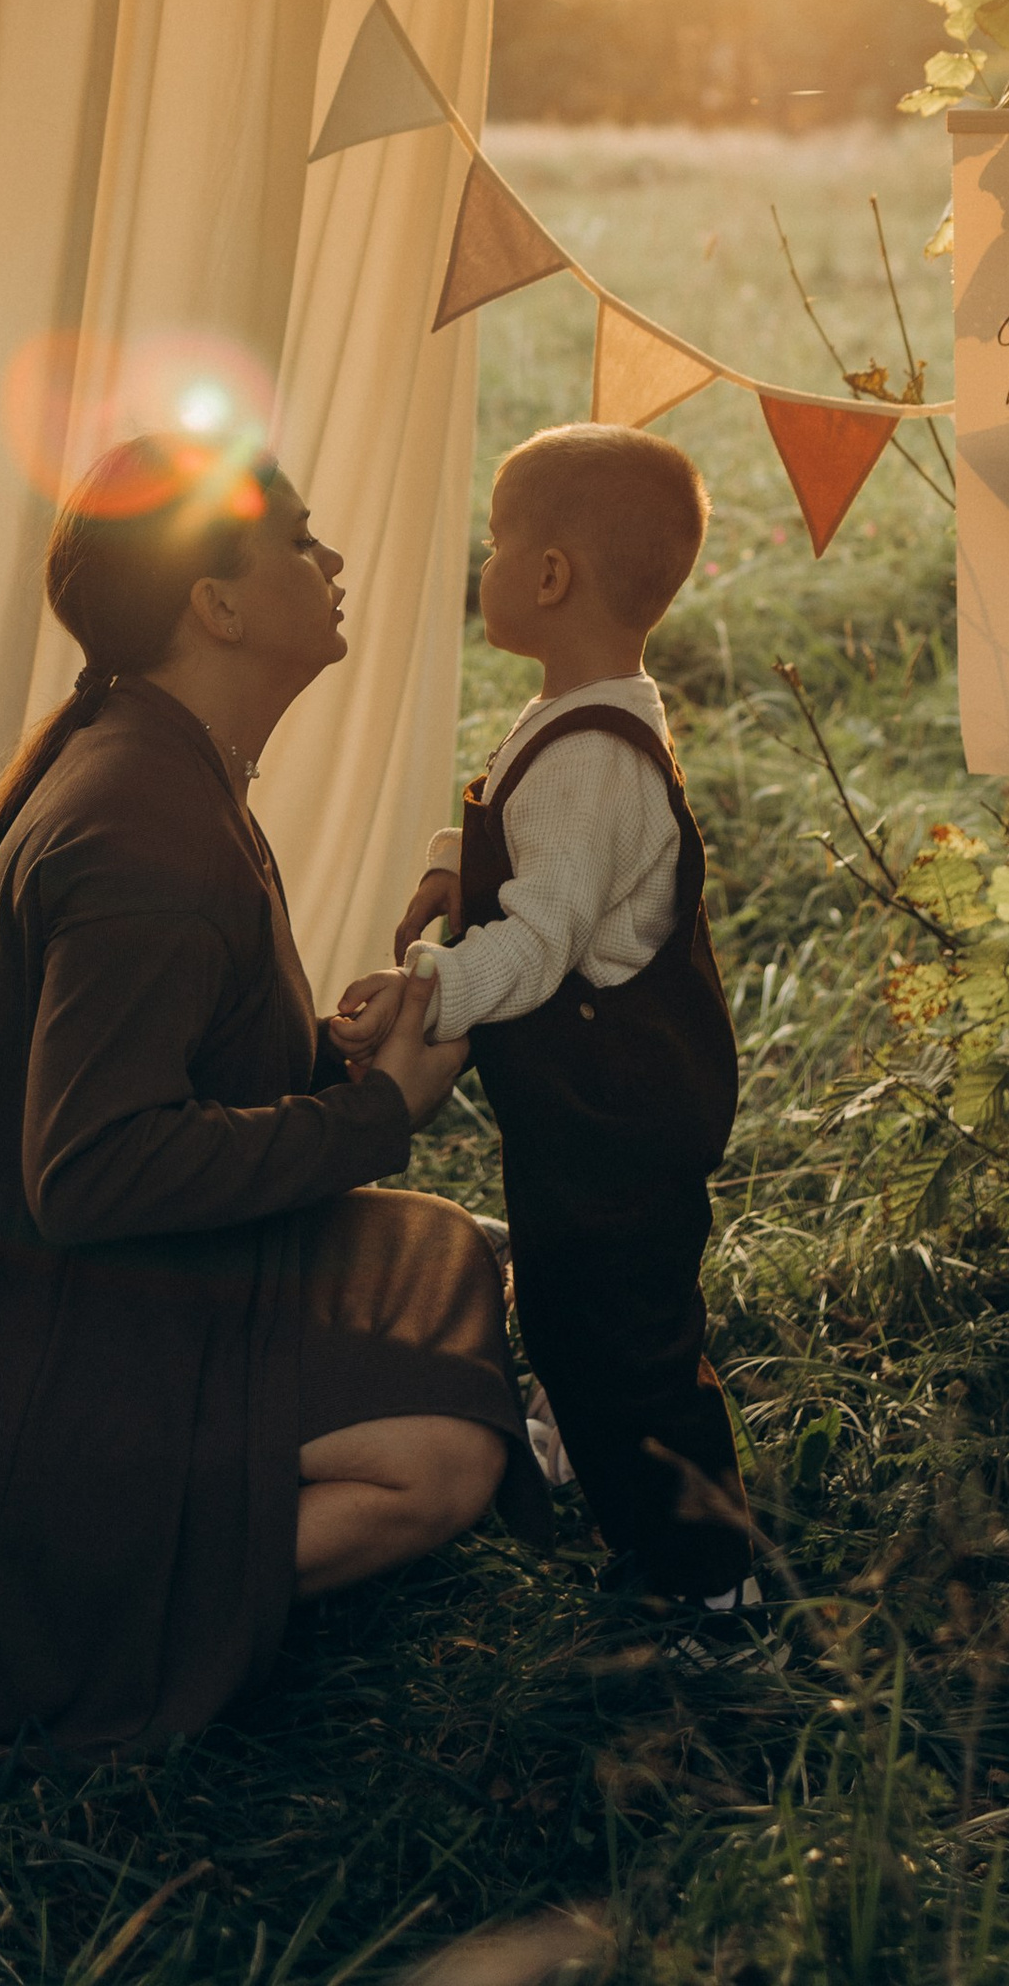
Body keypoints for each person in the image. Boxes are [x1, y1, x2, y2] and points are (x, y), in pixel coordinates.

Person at [0, 434, 536, 1847]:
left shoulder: (163, 766)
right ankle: (81, 1608)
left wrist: (323, 1054)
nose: (336, 559)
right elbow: (96, 1171)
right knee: (436, 1465)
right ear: (219, 603)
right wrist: (374, 1112)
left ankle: (175, 1515)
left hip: (40, 1309)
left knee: (431, 1264)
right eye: (301, 538)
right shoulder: (143, 833)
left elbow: (162, 1064)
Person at [335, 422, 753, 1614]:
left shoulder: (590, 761)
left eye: (495, 542)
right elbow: (531, 844)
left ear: (549, 574)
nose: (486, 563)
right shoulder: (584, 715)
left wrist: (428, 993)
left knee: (626, 1344)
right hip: (589, 1122)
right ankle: (586, 1432)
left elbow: (544, 937)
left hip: (613, 1123)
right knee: (580, 1314)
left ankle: (706, 1587)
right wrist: (447, 866)